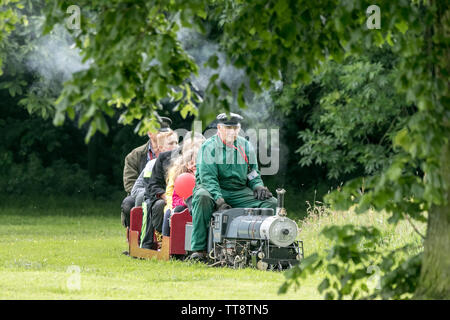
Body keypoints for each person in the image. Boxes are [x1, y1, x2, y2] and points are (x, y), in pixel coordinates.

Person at [189, 113, 276, 260]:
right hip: (213, 189)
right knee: (202, 196)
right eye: (228, 128)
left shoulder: (245, 146)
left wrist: (258, 186)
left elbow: (252, 173)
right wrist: (219, 201)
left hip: (238, 190)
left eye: (235, 128)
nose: (232, 132)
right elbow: (208, 179)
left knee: (270, 202)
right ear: (219, 128)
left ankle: (266, 245)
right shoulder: (208, 147)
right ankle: (199, 250)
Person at [139, 131, 204, 249]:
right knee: (163, 208)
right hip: (170, 197)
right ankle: (156, 243)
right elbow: (155, 185)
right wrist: (167, 199)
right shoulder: (171, 162)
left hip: (194, 199)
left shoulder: (205, 163)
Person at [121, 116, 172, 228]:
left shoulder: (175, 152)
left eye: (165, 132)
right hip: (142, 193)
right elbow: (130, 185)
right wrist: (154, 192)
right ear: (150, 133)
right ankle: (135, 234)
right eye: (159, 131)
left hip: (168, 192)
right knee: (128, 204)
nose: (162, 135)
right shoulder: (134, 156)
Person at [161, 133, 205, 236]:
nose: (194, 165)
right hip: (182, 204)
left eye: (196, 162)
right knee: (173, 212)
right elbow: (175, 196)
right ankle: (167, 239)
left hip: (198, 204)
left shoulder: (204, 175)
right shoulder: (182, 178)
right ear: (186, 164)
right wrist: (182, 203)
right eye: (191, 162)